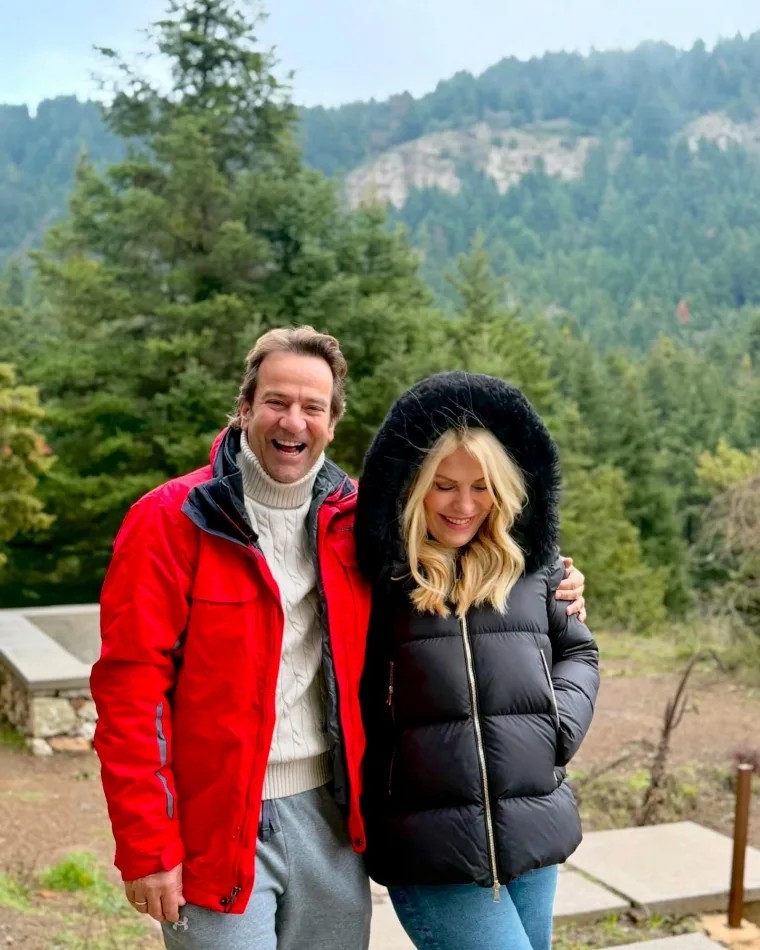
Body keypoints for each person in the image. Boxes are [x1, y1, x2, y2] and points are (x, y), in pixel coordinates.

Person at [91, 326, 587, 950]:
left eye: (313, 407)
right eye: (276, 401)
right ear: (244, 407)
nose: (292, 421)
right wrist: (147, 845)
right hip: (216, 825)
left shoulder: (358, 524)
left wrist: (559, 583)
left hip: (332, 817)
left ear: (332, 422)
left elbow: (465, 572)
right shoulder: (172, 519)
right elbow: (130, 693)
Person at [355, 371, 600, 950]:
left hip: (531, 832)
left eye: (481, 486)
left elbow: (578, 650)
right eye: (444, 486)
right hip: (431, 849)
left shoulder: (534, 569)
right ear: (416, 486)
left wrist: (557, 725)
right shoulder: (377, 580)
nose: (464, 505)